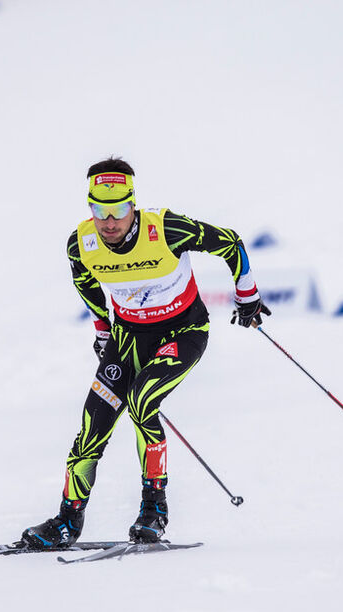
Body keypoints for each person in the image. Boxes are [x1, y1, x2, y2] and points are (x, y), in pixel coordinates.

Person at [21, 157, 269, 548]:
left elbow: (230, 243)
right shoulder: (81, 243)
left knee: (141, 400)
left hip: (183, 330)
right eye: (99, 210)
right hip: (128, 340)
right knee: (91, 428)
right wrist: (103, 327)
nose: (109, 221)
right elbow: (85, 283)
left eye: (119, 209)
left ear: (133, 203)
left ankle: (154, 510)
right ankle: (67, 521)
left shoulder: (166, 229)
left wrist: (248, 296)